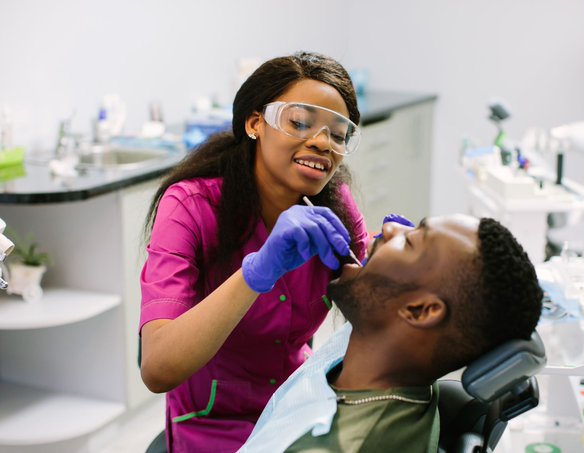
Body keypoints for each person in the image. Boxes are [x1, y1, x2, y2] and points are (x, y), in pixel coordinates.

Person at [138, 51, 370, 452]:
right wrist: (254, 274)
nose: (321, 142)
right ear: (254, 123)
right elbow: (157, 369)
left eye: (337, 133)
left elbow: (373, 319)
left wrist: (388, 268)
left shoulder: (335, 206)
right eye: (299, 122)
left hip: (298, 408)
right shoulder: (191, 207)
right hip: (212, 425)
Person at [239, 214, 544, 452]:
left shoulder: (334, 446)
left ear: (420, 311)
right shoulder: (389, 360)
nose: (389, 230)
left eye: (411, 242)